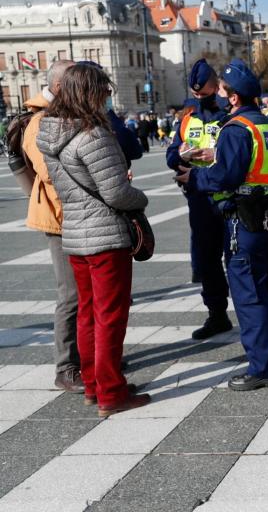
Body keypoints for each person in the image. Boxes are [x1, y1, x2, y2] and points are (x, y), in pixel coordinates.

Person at [37, 63, 151, 417]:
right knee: (110, 317)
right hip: (104, 236)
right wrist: (141, 198)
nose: (107, 96)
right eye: (104, 90)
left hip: (75, 235)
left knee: (87, 314)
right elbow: (116, 193)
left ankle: (93, 385)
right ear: (91, 92)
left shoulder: (49, 132)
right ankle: (112, 393)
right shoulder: (93, 135)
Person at [175, 58, 268, 391]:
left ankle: (263, 368)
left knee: (249, 295)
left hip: (244, 219)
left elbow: (223, 176)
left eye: (224, 89)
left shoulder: (236, 129)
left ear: (232, 96)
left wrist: (195, 175)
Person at [20, 60, 83, 392]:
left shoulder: (66, 114)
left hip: (78, 215)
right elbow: (50, 174)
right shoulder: (39, 122)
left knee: (84, 292)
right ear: (60, 87)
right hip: (61, 217)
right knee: (70, 293)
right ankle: (66, 366)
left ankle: (86, 356)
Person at [166, 59, 232, 340]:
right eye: (196, 95)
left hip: (229, 201)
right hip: (200, 203)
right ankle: (217, 315)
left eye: (205, 94)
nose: (200, 99)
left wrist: (215, 156)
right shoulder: (187, 119)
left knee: (237, 260)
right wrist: (180, 156)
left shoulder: (230, 117)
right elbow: (171, 155)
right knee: (208, 261)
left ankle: (250, 315)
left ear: (217, 88)